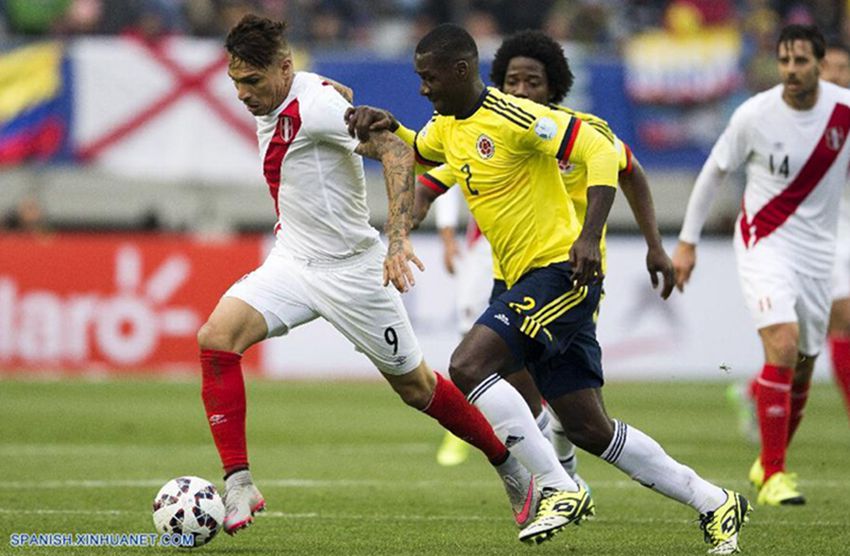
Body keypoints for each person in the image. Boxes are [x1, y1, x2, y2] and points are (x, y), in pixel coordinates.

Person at [347, 23, 750, 553]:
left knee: (469, 365)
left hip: (562, 272)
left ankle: (559, 487)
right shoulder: (448, 125)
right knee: (587, 428)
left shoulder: (517, 116)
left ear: (462, 70)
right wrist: (390, 126)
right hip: (530, 278)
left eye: (430, 77)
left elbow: (604, 154)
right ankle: (715, 501)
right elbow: (423, 151)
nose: (424, 88)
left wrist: (589, 237)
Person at [199, 14, 543, 537]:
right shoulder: (286, 95)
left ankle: (508, 464)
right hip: (292, 261)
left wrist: (398, 238)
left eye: (252, 81)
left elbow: (398, 151)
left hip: (352, 272)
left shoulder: (316, 106)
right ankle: (240, 480)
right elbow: (326, 104)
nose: (243, 94)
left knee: (417, 387)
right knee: (215, 339)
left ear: (285, 68)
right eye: (235, 82)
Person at [431, 30, 676, 475]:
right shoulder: (497, 129)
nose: (522, 90)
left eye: (533, 82)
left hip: (574, 273)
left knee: (547, 394)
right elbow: (442, 168)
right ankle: (560, 469)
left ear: (554, 87)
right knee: (511, 370)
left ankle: (559, 472)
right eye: (512, 81)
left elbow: (631, 173)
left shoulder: (583, 132)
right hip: (514, 271)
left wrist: (655, 245)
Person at [673, 25, 850, 507]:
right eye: (785, 61)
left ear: (819, 64)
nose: (791, 71)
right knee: (784, 343)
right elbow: (715, 171)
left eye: (801, 62)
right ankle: (774, 473)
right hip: (764, 242)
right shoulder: (755, 114)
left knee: (805, 364)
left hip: (819, 254)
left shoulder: (843, 110)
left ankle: (768, 462)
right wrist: (687, 243)